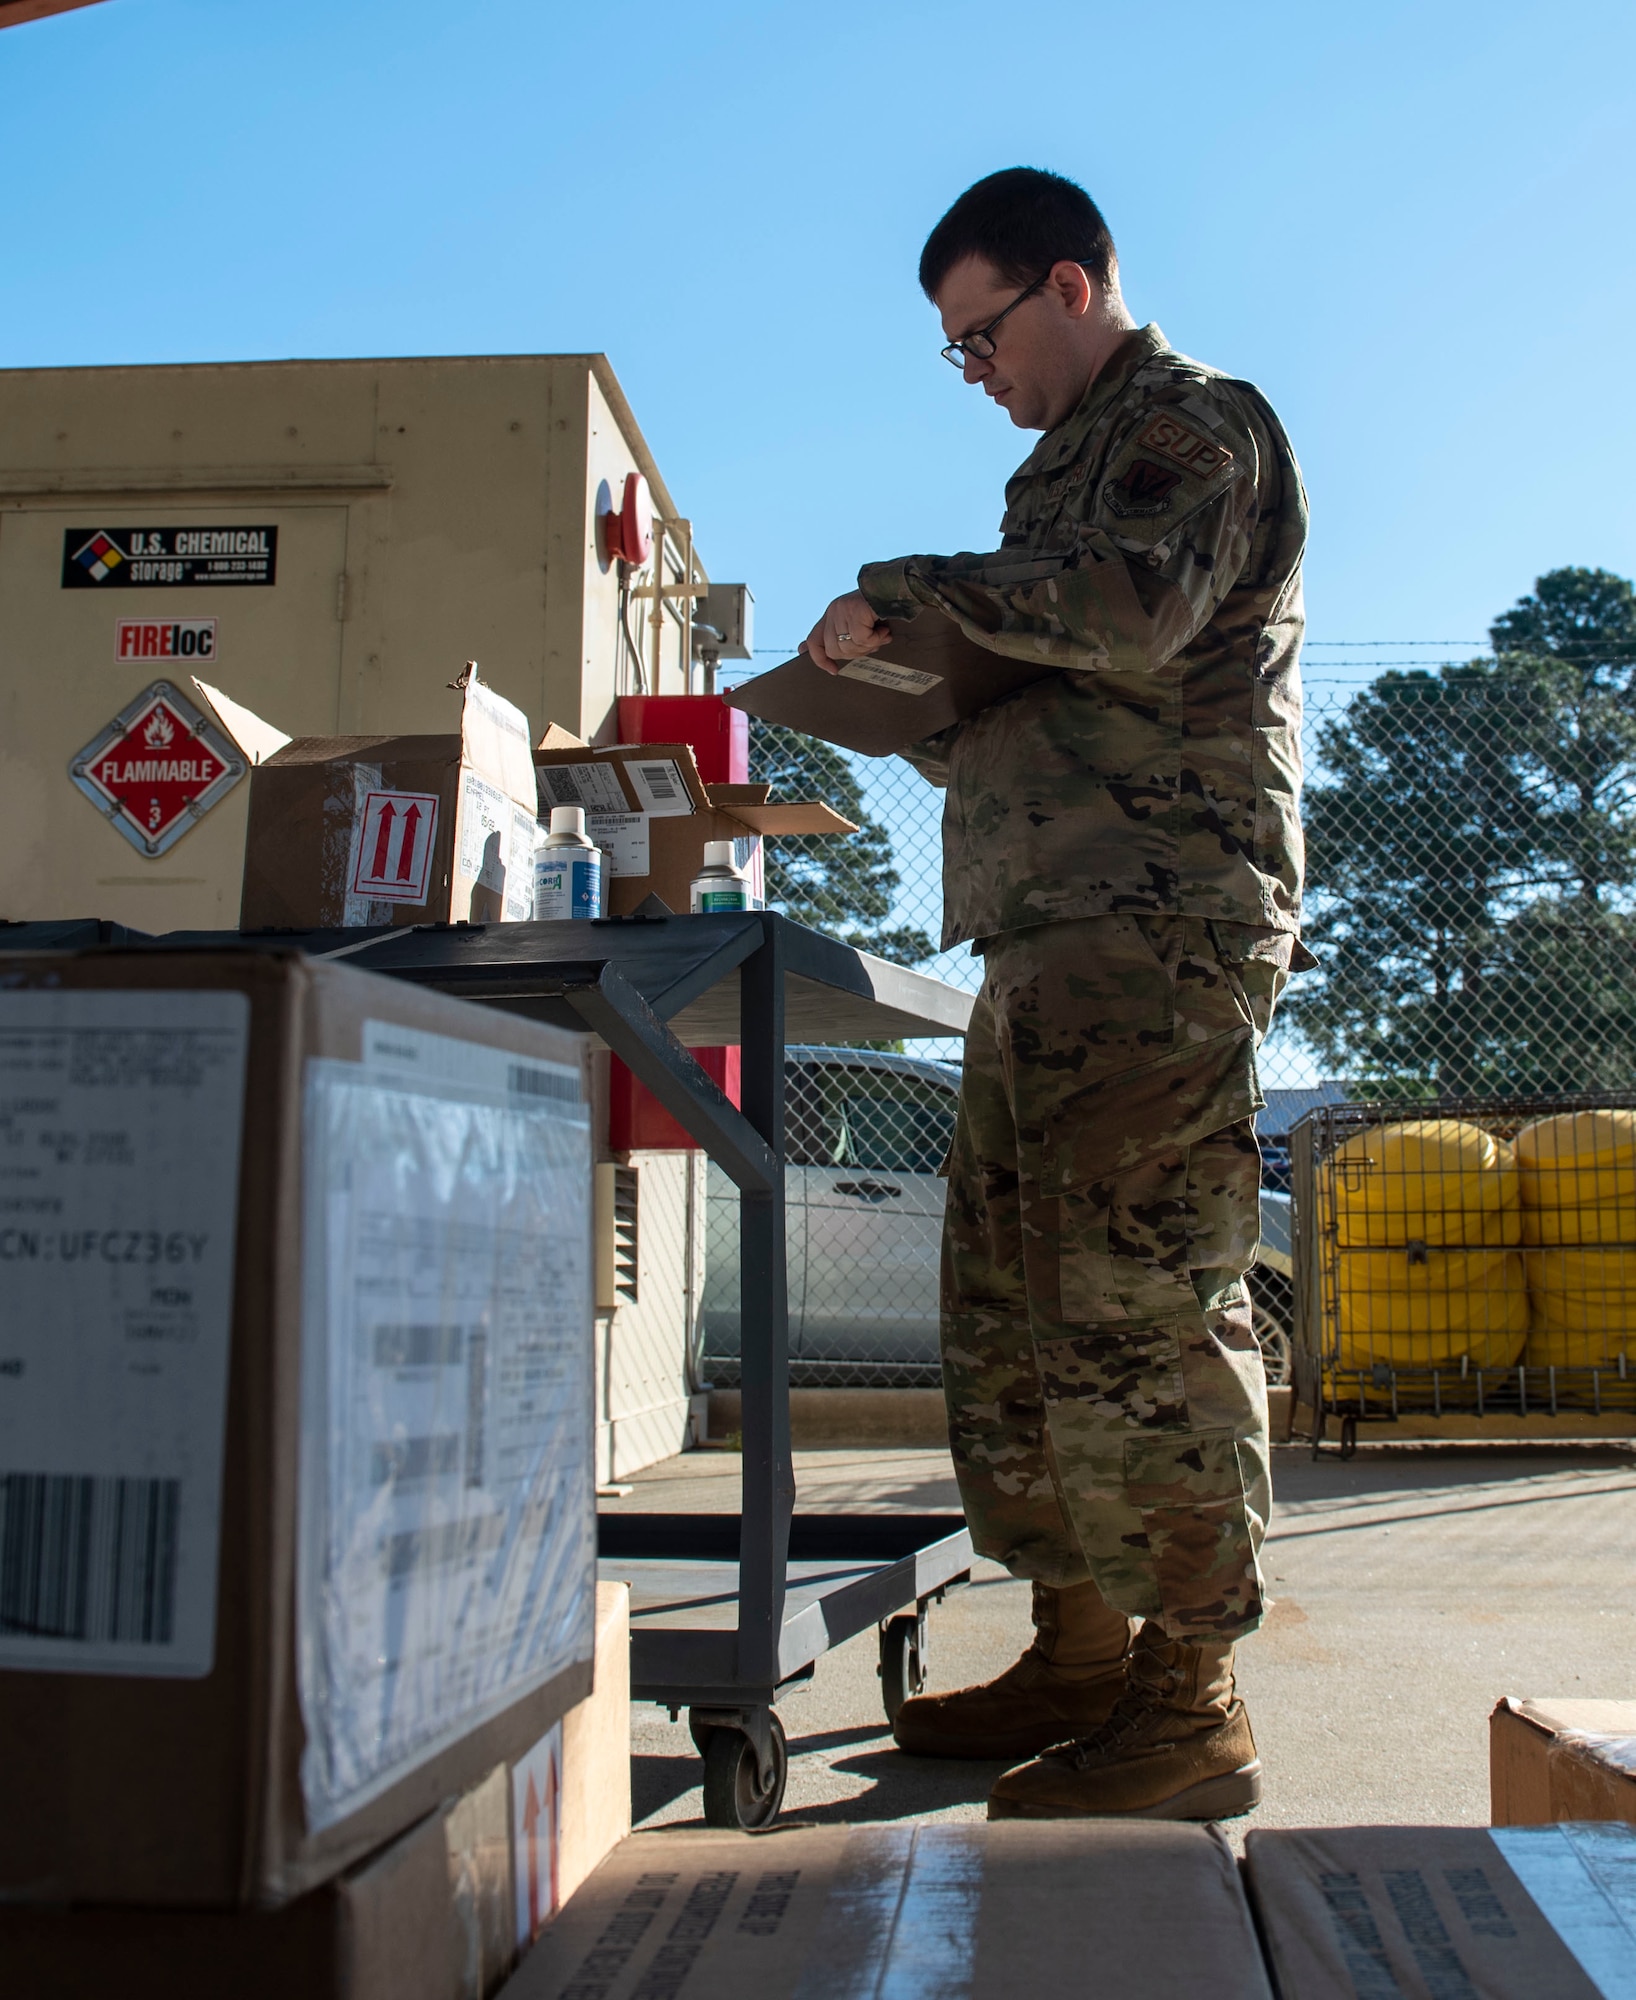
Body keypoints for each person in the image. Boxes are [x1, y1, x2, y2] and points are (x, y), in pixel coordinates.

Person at [804, 167, 1310, 1821]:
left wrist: (919, 592)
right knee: (1027, 1318)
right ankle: (1083, 1651)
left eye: (982, 337)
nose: (980, 375)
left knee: (1145, 1306)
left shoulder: (1194, 429)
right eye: (958, 353)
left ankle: (1191, 1702)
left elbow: (1135, 610)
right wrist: (896, 692)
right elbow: (1036, 674)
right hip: (1046, 933)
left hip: (1157, 930)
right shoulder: (1052, 484)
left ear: (1072, 286)